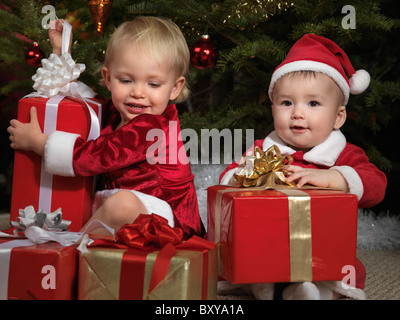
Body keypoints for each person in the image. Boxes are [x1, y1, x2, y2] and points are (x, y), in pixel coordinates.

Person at [219, 34, 387, 299]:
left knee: (340, 274)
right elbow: (228, 178)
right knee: (249, 262)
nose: (298, 113)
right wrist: (242, 176)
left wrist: (335, 178)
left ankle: (312, 291)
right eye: (286, 103)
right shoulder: (265, 150)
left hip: (322, 249)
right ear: (273, 109)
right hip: (269, 243)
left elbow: (376, 186)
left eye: (313, 103)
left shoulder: (344, 154)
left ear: (338, 117)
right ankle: (267, 285)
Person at [7, 16, 203, 238]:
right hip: (123, 207)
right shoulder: (116, 113)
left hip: (168, 220)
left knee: (120, 205)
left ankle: (71, 250)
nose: (138, 92)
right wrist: (62, 52)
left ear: (175, 88)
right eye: (126, 80)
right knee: (96, 202)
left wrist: (40, 143)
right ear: (108, 78)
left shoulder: (153, 127)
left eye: (153, 84)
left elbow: (98, 155)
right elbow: (77, 96)